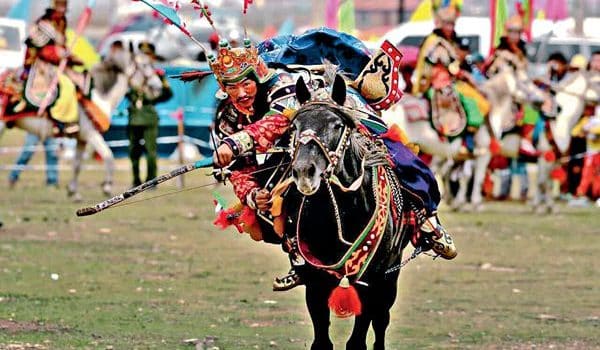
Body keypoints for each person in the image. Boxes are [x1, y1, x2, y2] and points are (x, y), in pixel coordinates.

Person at [211, 31, 457, 292]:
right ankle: (300, 259)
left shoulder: (281, 84)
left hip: (332, 117)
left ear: (257, 78)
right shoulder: (227, 116)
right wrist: (252, 194)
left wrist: (237, 143)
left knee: (399, 156)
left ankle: (426, 219)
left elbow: (280, 119)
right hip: (289, 149)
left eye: (245, 84)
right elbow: (239, 171)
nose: (240, 93)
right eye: (231, 86)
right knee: (271, 204)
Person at [412, 4, 489, 155]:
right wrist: (463, 75)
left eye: (452, 24)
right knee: (470, 101)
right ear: (440, 24)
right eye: (447, 24)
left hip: (446, 81)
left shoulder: (446, 42)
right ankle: (464, 139)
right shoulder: (436, 43)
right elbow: (448, 67)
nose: (450, 27)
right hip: (438, 84)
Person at [18, 0, 82, 135]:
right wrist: (59, 53)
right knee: (66, 85)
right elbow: (39, 46)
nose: (63, 8)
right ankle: (58, 120)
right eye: (60, 5)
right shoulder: (45, 22)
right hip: (42, 62)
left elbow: (61, 45)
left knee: (78, 80)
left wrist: (70, 56)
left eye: (64, 5)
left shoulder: (62, 21)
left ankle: (69, 118)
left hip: (56, 61)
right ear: (54, 5)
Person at [125, 42, 173, 186]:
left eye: (147, 55)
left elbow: (167, 94)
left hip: (145, 115)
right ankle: (136, 180)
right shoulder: (133, 73)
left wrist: (161, 82)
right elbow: (127, 93)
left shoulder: (155, 75)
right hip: (136, 115)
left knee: (149, 151)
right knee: (135, 150)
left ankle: (151, 181)